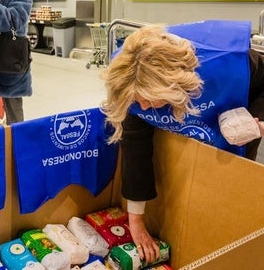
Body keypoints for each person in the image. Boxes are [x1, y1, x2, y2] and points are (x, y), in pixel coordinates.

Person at [100, 21, 264, 264]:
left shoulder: (227, 62)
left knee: (230, 191)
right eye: (139, 100)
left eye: (150, 100)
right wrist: (136, 221)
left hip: (229, 114)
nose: (143, 107)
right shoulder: (128, 75)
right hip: (180, 113)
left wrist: (257, 123)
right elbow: (136, 149)